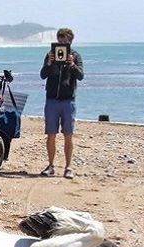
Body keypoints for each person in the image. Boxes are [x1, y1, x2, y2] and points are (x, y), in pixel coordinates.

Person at [39, 28, 84, 179]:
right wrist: (49, 64)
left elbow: (81, 75)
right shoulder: (50, 55)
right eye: (60, 41)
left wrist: (72, 64)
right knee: (51, 134)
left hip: (68, 101)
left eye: (65, 41)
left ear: (70, 41)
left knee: (68, 135)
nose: (62, 43)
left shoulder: (75, 56)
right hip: (52, 100)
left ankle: (68, 167)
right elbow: (42, 75)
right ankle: (51, 165)